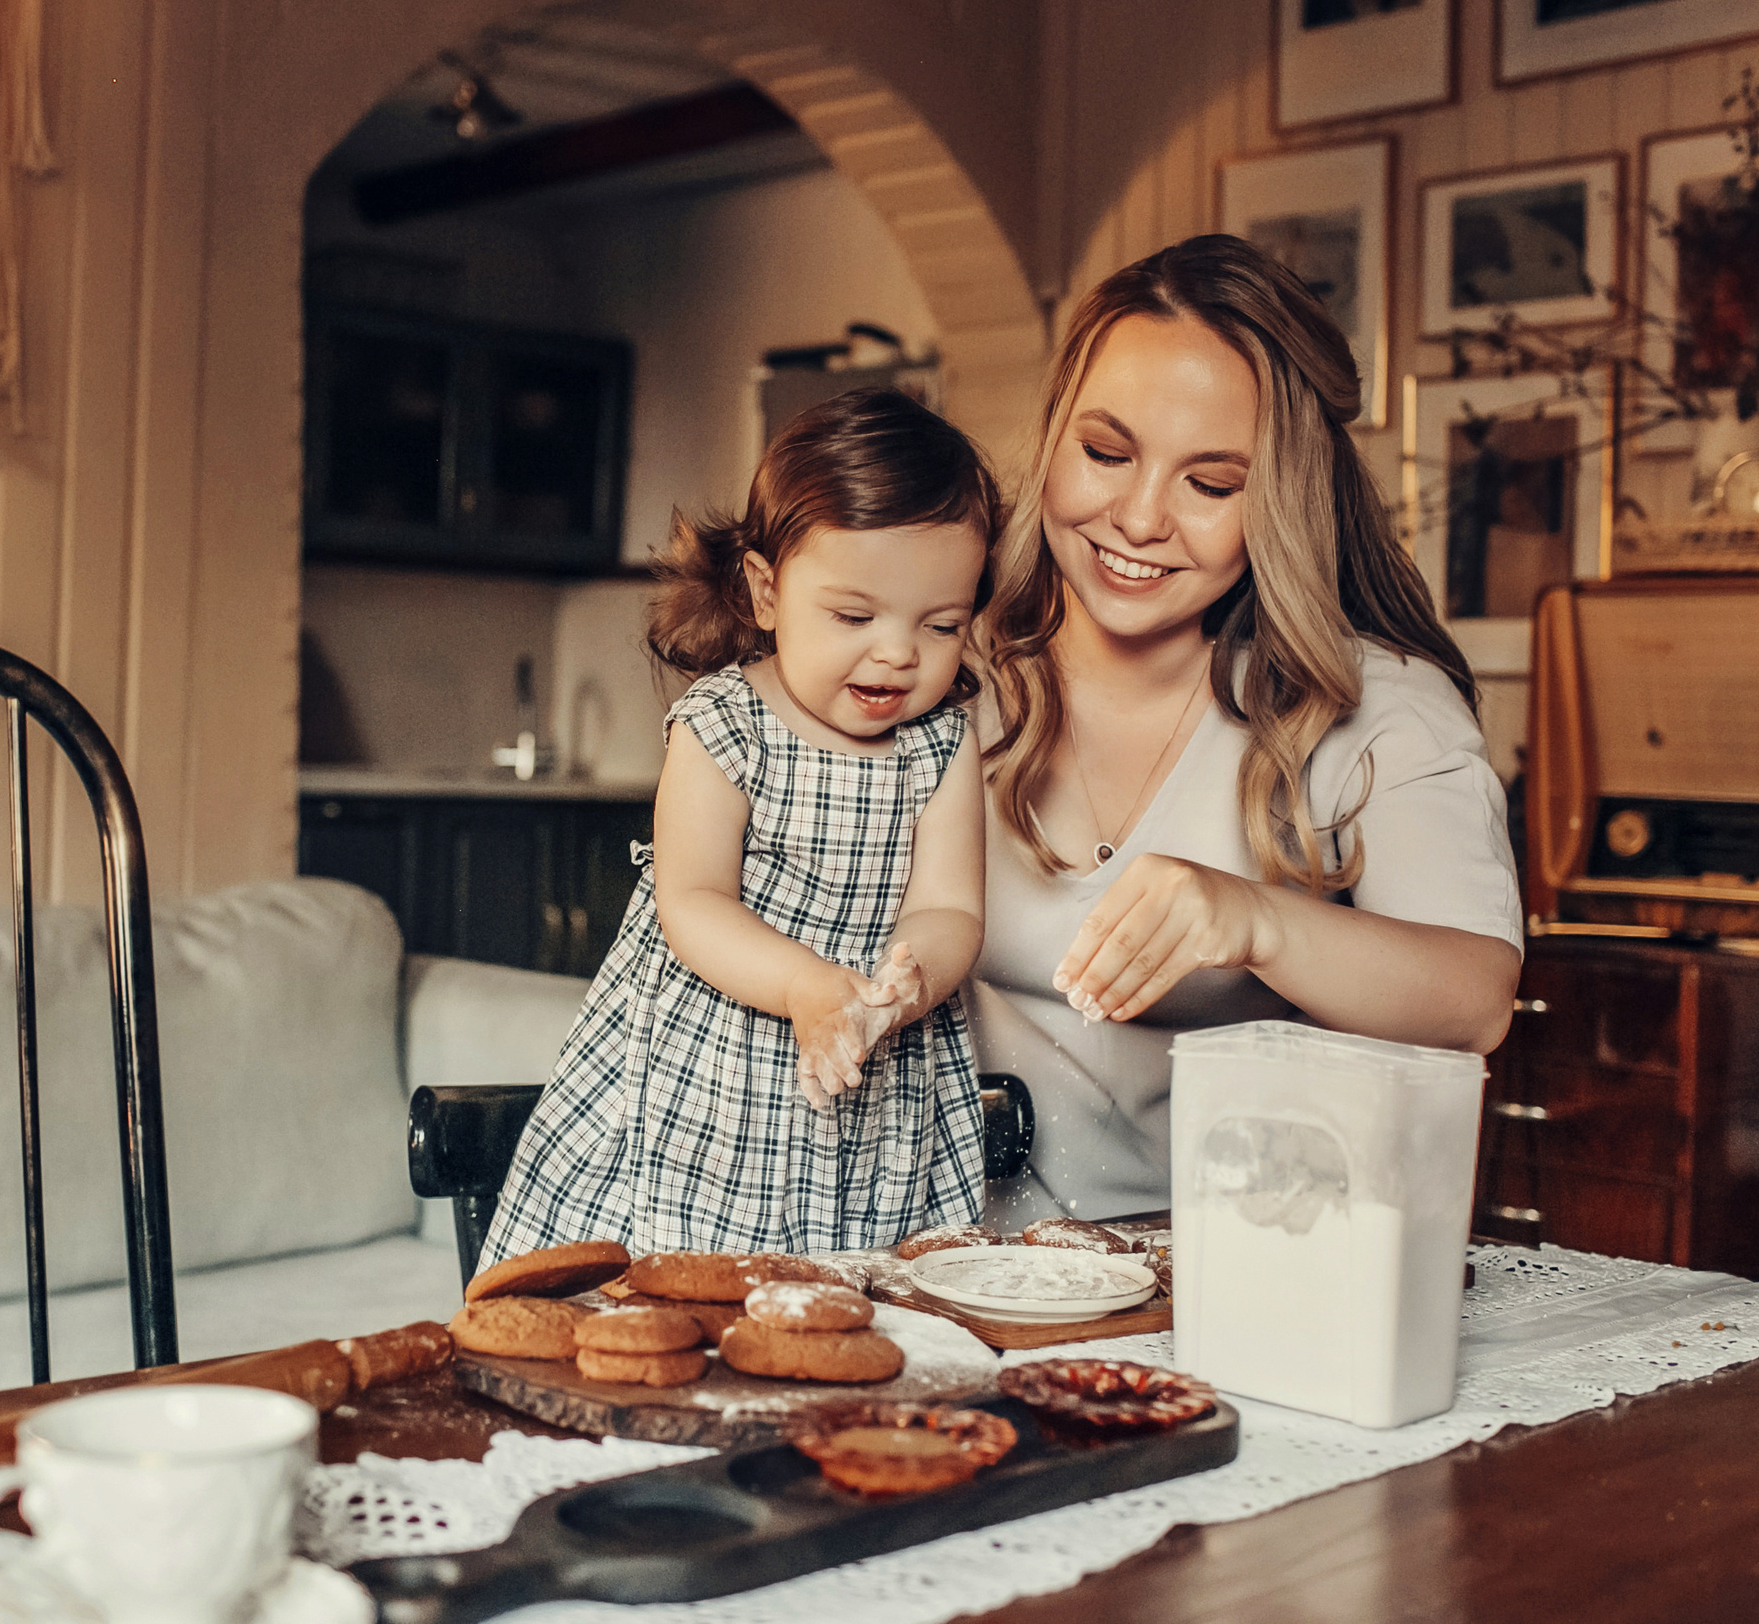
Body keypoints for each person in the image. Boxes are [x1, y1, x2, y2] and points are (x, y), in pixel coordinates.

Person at [972, 234, 1523, 1224]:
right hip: (928, 1271)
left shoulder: (1370, 704)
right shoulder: (942, 668)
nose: (1138, 518)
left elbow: (1476, 995)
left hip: (1219, 1280)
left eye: (1210, 483)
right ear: (1053, 435)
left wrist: (1256, 920)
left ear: (1278, 496)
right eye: (1105, 453)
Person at [482, 387, 999, 1262]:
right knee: (684, 1297)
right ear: (766, 590)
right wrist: (805, 987)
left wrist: (908, 983)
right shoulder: (725, 724)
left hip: (875, 1079)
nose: (899, 652)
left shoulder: (939, 745)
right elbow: (693, 901)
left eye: (942, 624)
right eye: (854, 615)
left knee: (857, 1310)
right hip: (714, 1083)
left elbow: (951, 908)